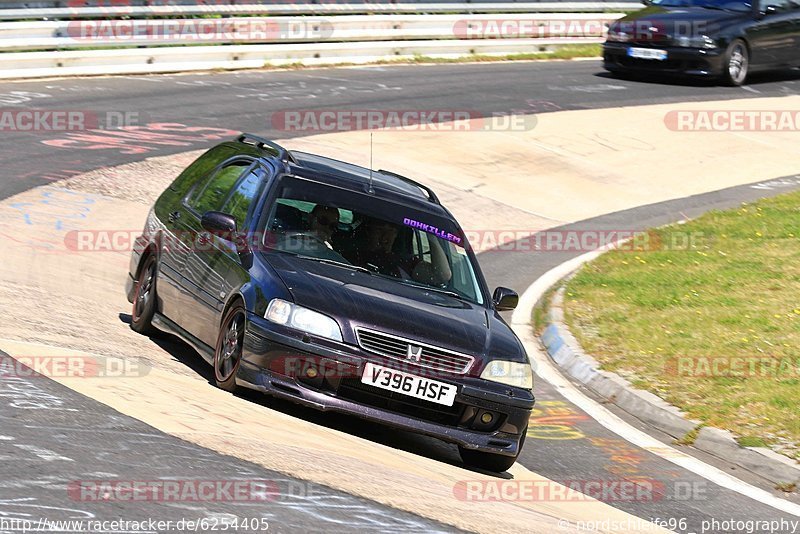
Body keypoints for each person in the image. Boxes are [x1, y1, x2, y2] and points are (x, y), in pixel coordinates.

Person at [348, 217, 452, 285]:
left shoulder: (405, 263)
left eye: (391, 232)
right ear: (368, 231)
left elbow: (442, 275)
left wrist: (431, 235)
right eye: (379, 230)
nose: (385, 237)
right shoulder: (350, 256)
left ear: (397, 235)